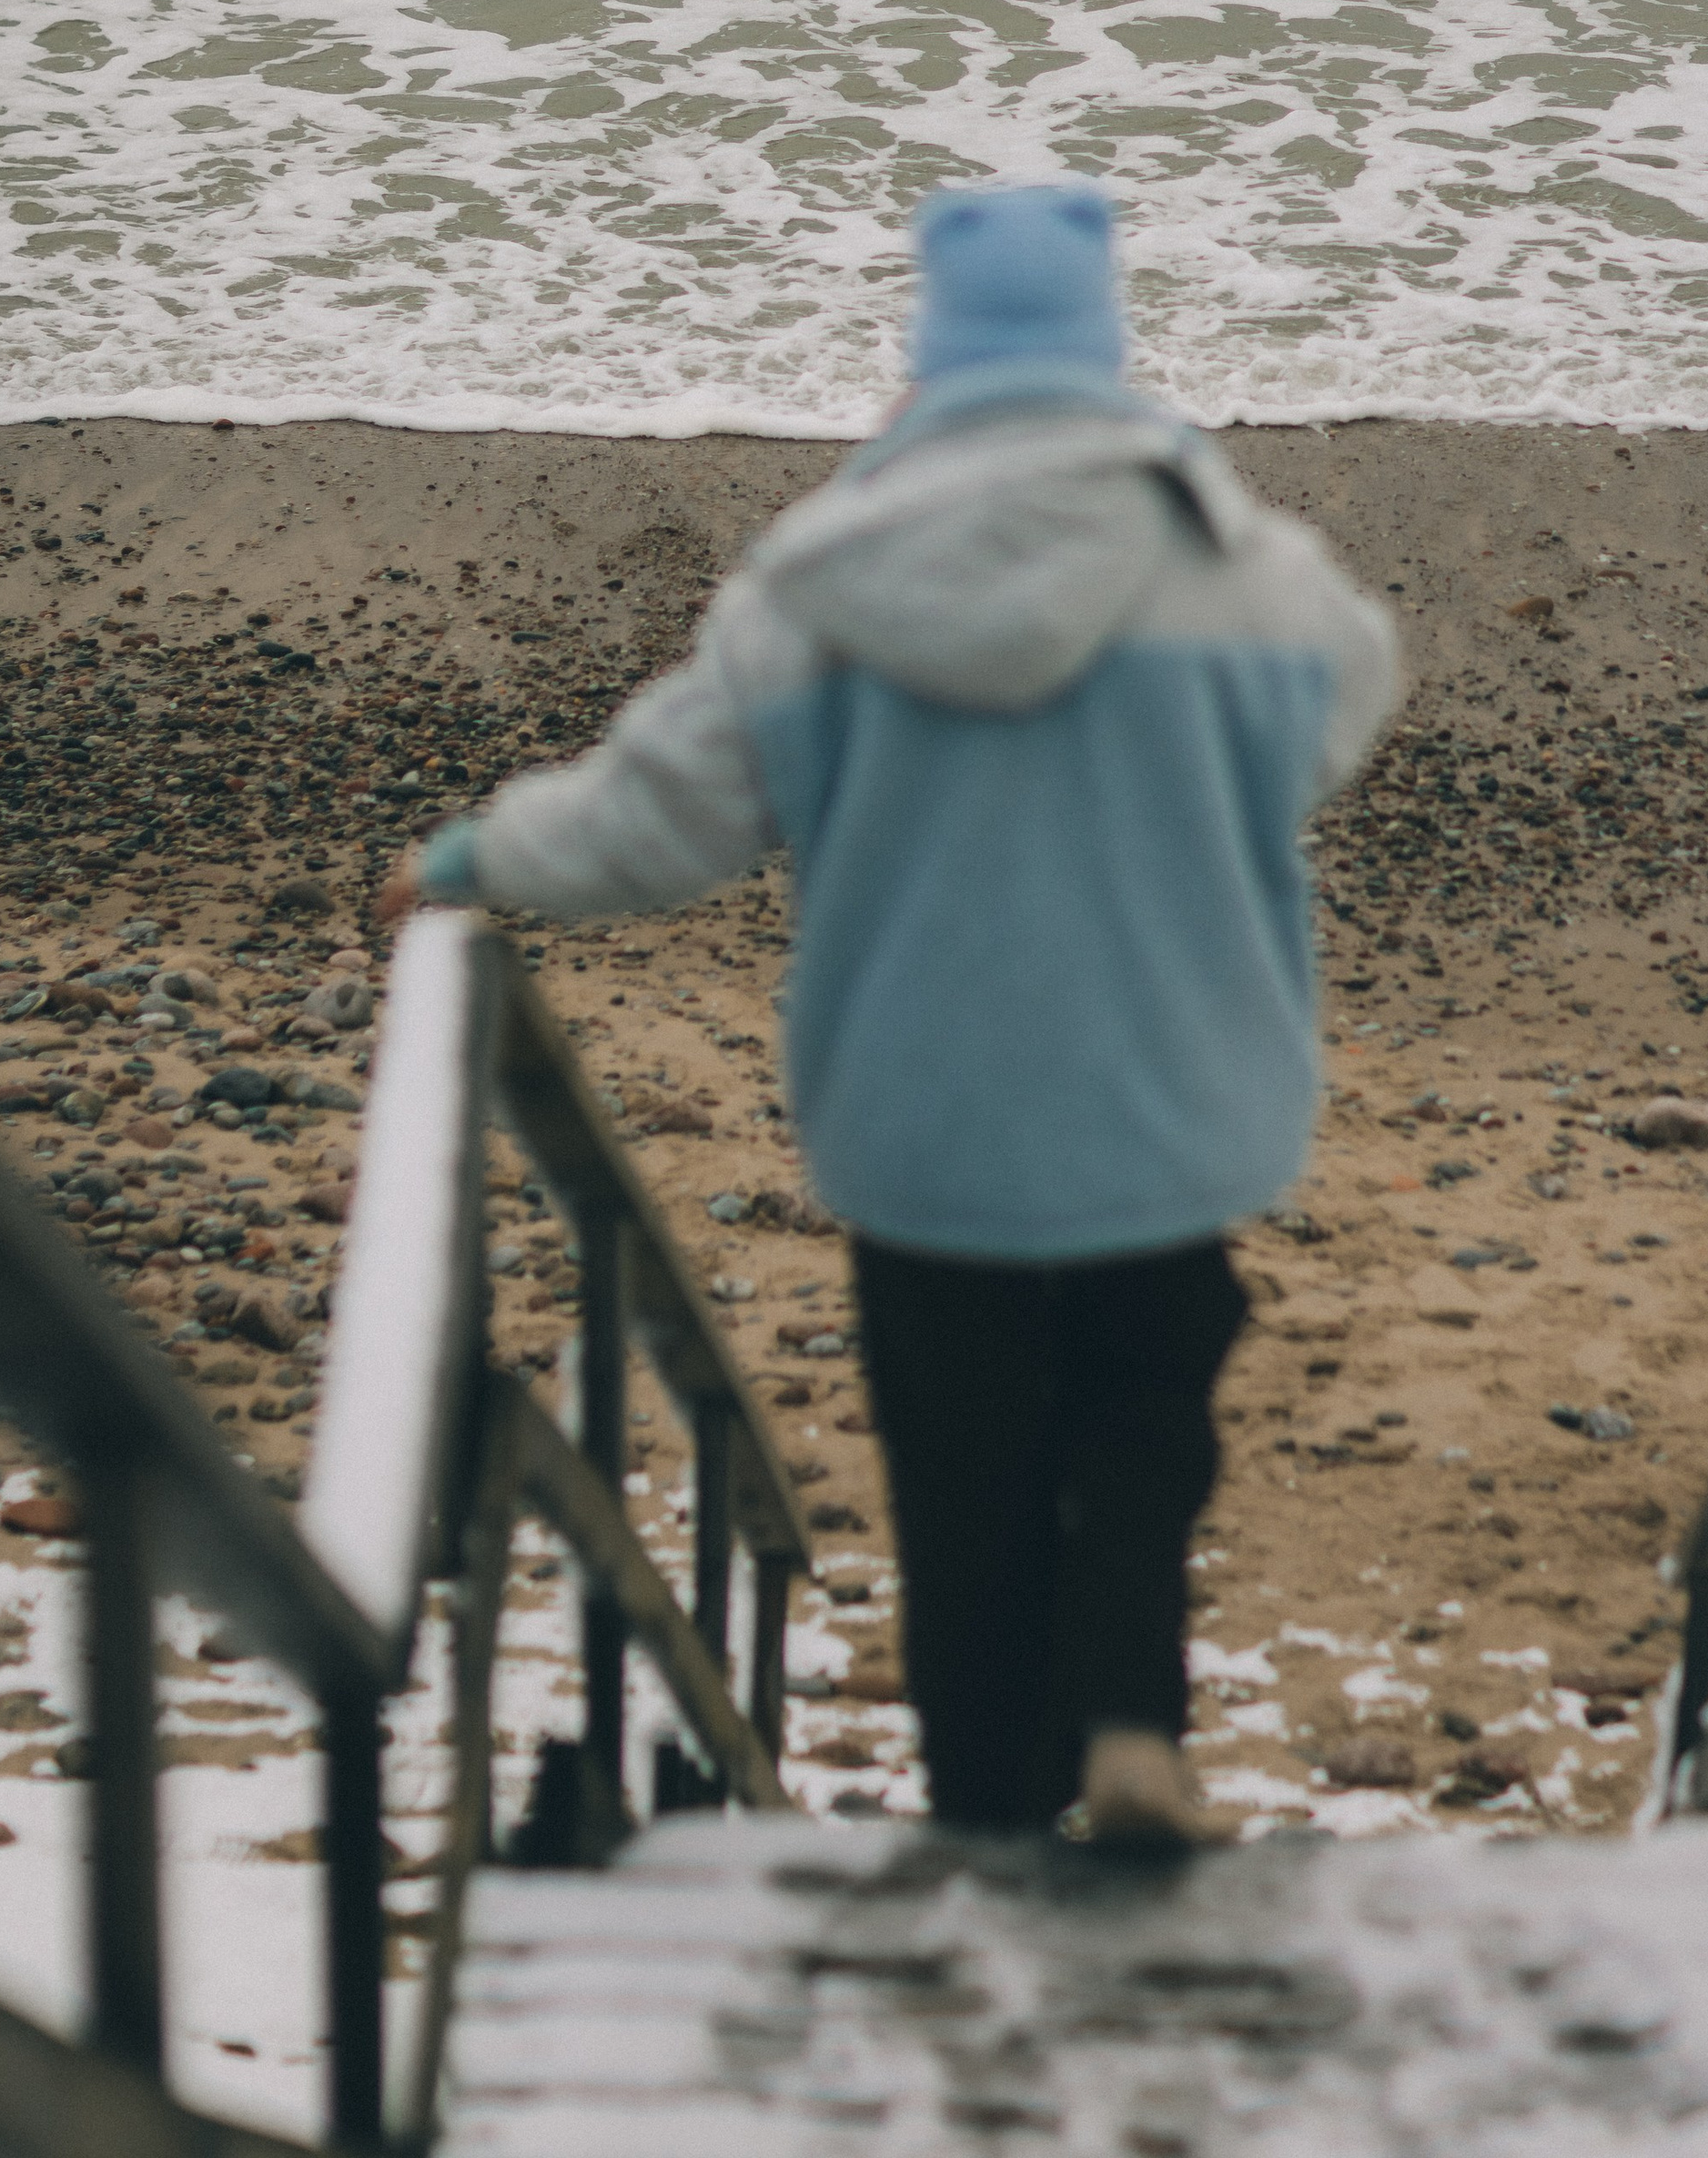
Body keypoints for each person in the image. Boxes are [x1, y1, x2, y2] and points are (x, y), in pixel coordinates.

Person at [379, 183, 1398, 1845]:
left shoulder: (820, 588)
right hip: (1170, 1106)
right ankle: (1135, 1719)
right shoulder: (1238, 573)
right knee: (1147, 1406)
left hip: (926, 1130)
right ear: (1103, 349)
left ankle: (990, 1824)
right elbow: (1348, 695)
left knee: (962, 1485)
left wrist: (477, 850)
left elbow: (655, 820)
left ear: (931, 353)